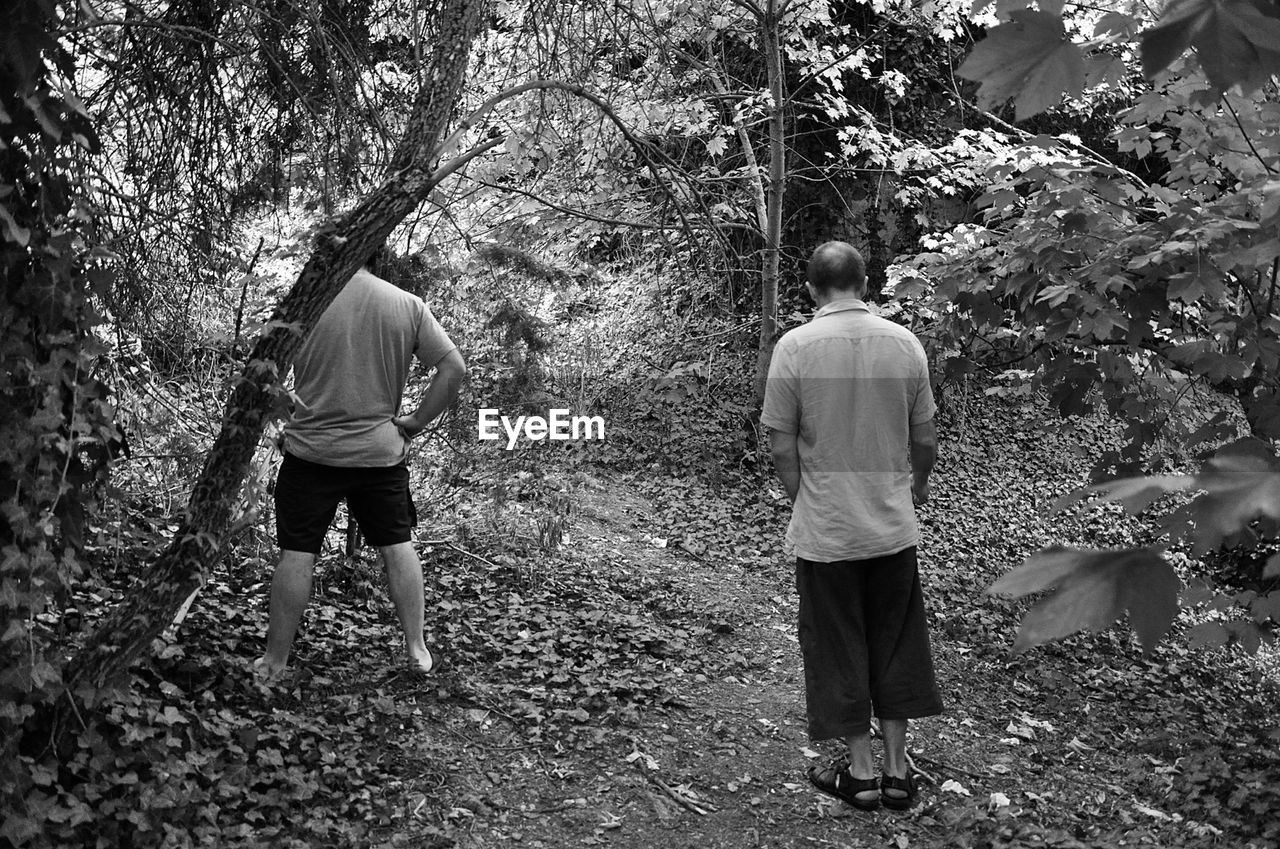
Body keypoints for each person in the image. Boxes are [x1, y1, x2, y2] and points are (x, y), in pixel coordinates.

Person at [761, 241, 942, 811]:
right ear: (865, 283)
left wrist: (803, 498)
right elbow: (926, 437)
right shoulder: (905, 344)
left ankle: (860, 774)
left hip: (827, 529)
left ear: (811, 290)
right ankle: (896, 771)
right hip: (890, 526)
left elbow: (779, 440)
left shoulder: (794, 347)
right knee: (895, 640)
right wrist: (917, 486)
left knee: (838, 643)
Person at [254, 250, 467, 680]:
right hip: (379, 455)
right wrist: (415, 422)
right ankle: (416, 649)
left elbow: (265, 373)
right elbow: (453, 368)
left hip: (311, 453)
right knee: (397, 546)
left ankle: (275, 662)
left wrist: (282, 420)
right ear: (375, 255)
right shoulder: (406, 304)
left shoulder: (303, 306)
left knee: (297, 555)